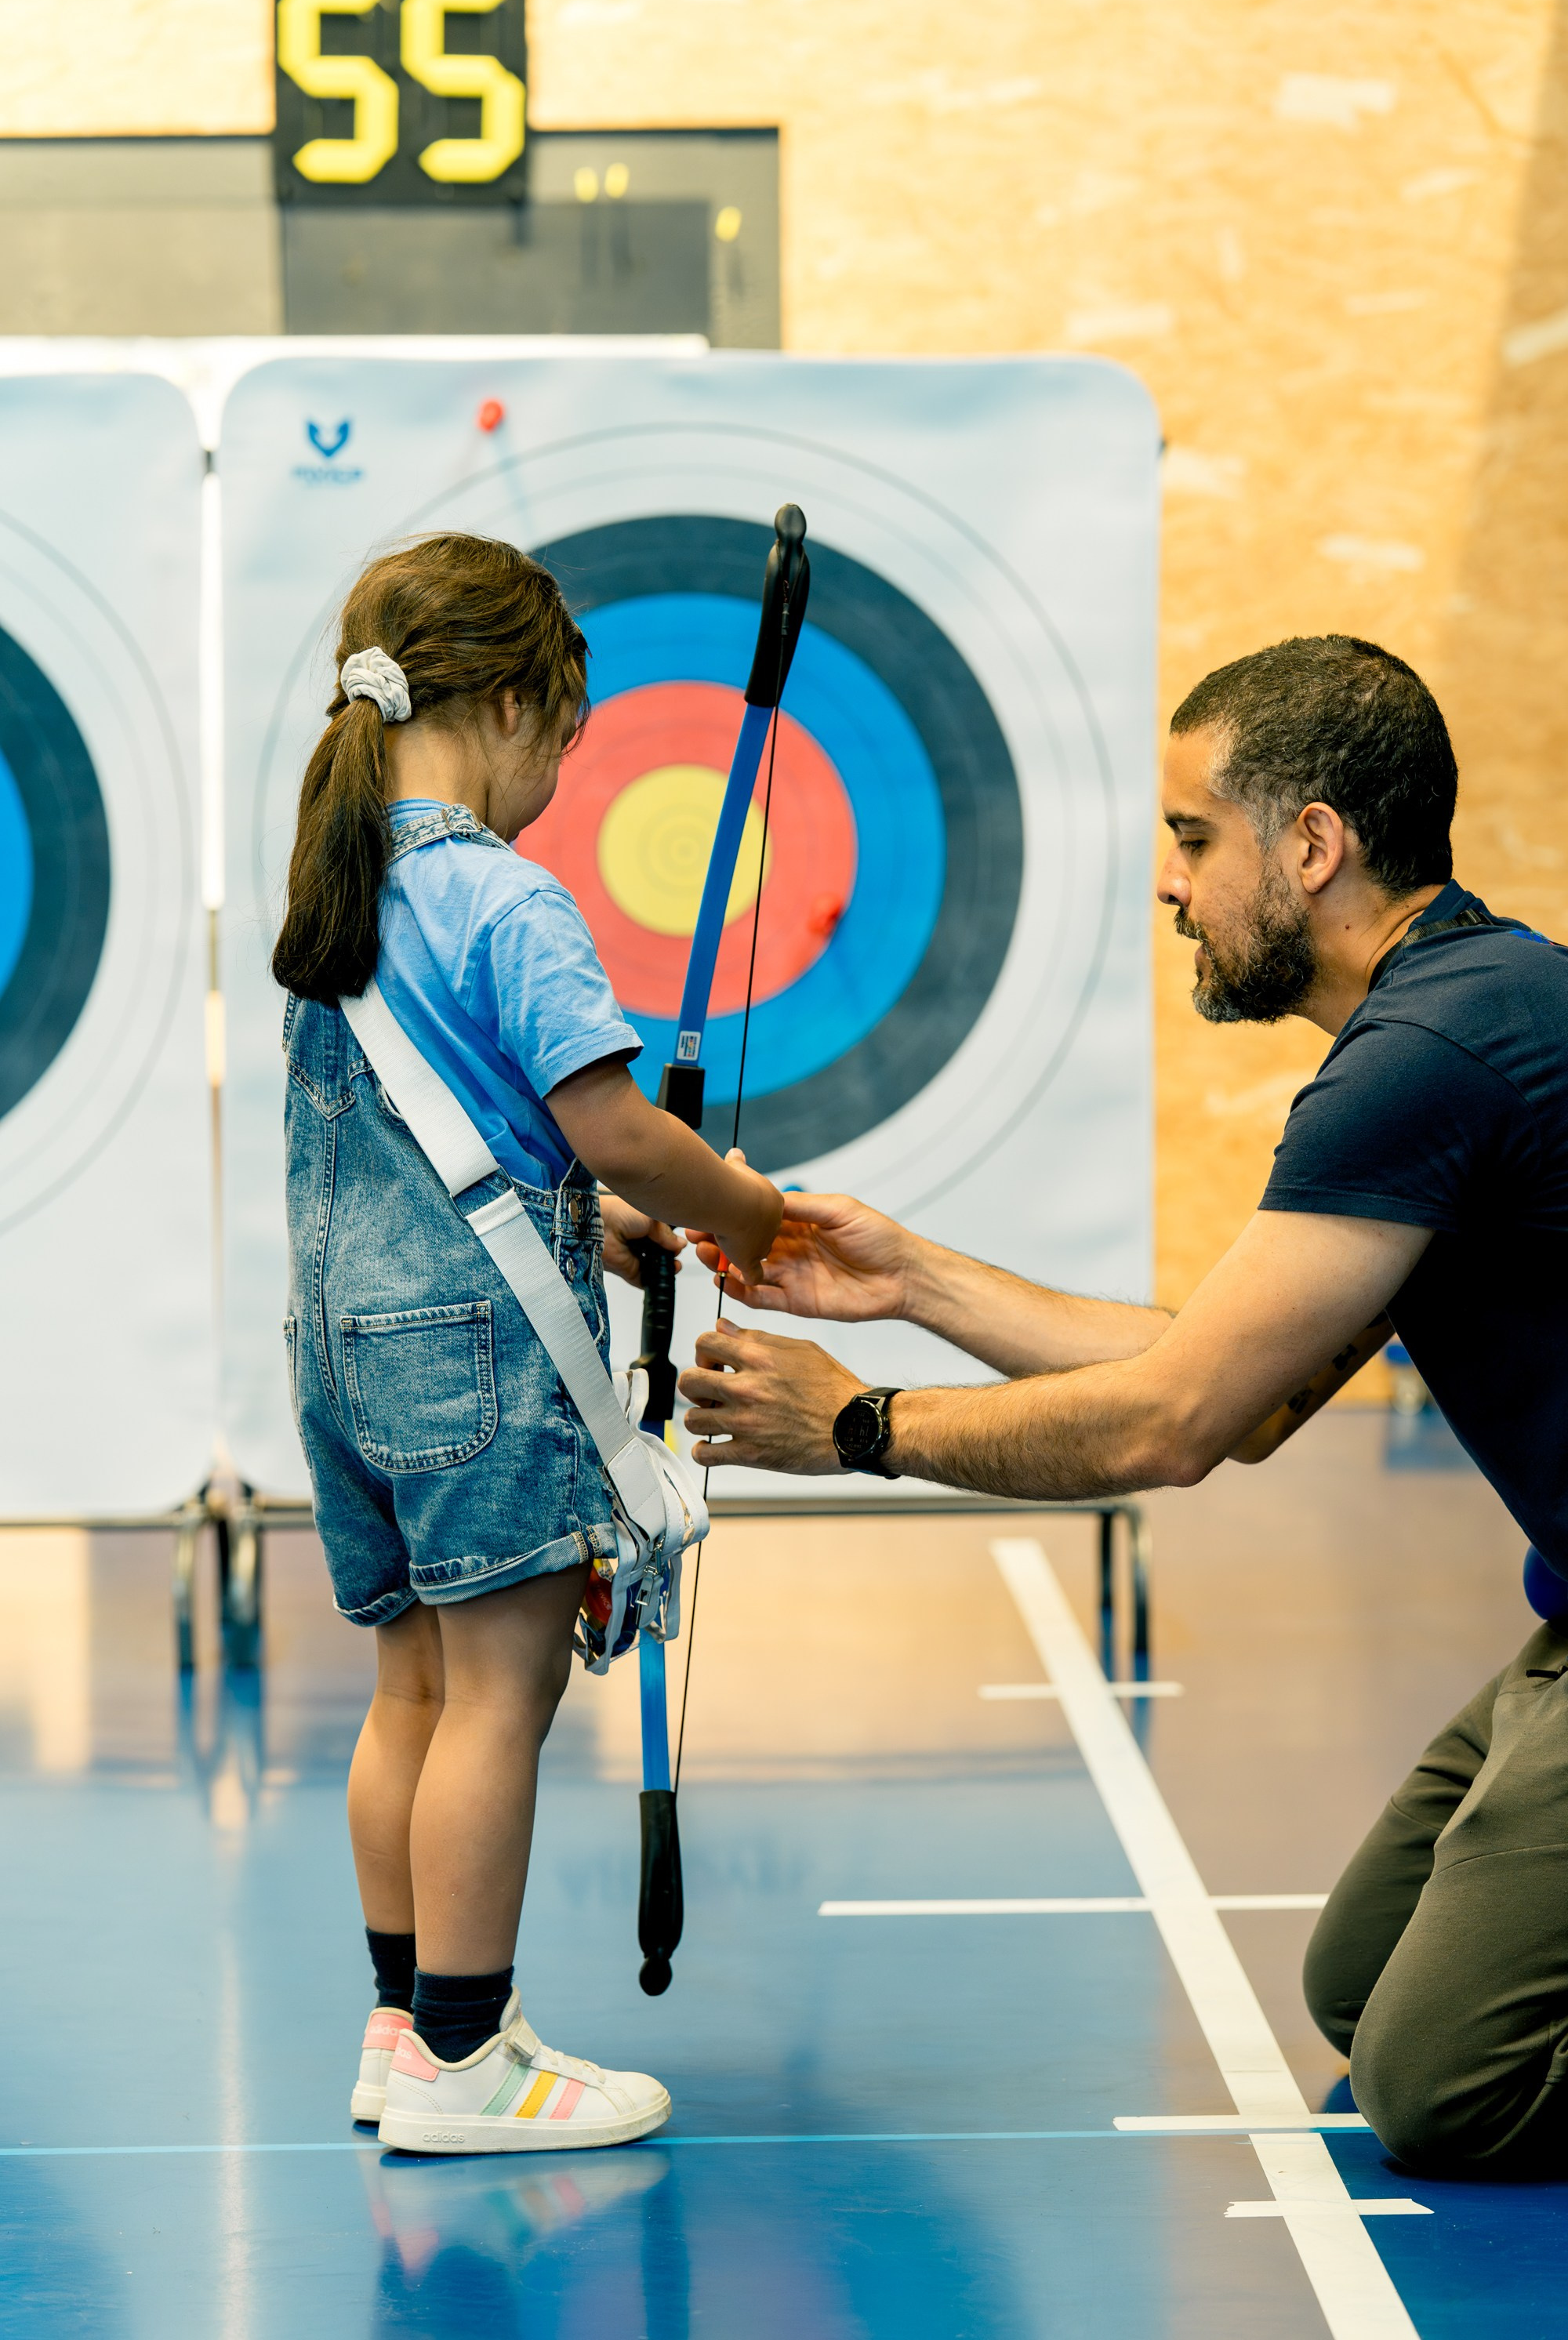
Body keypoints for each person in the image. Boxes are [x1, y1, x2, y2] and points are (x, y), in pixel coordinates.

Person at [680, 633, 1568, 2176]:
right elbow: (1245, 1379)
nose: (1170, 886)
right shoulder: (1468, 999)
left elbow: (1173, 1425)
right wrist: (911, 1281)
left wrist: (856, 1426)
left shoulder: (1425, 1059)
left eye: (1191, 838)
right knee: (1354, 1987)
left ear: (1311, 844)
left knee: (1450, 2092)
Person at [270, 533, 782, 2154]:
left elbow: (465, 1151)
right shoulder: (504, 893)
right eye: (562, 740)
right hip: (475, 1371)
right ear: (505, 706)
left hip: (346, 1359)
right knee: (500, 1700)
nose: (560, 775)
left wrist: (591, 1224)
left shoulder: (339, 889)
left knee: (409, 1692)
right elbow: (613, 1127)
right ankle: (467, 2063)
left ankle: (403, 2025)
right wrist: (741, 1208)